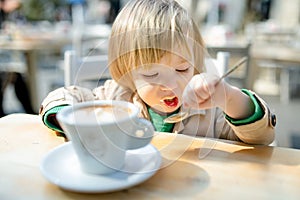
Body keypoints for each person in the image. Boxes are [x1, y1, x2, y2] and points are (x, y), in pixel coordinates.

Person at [39, 0, 275, 145]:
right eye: (152, 75)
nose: (171, 85)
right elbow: (66, 97)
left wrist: (231, 98)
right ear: (127, 74)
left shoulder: (211, 109)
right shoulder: (115, 96)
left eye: (182, 68)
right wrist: (71, 120)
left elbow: (261, 139)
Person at [0, 0, 35, 117]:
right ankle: (30, 111)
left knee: (14, 73)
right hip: (3, 58)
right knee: (11, 73)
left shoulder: (8, 13)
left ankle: (30, 111)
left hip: (5, 57)